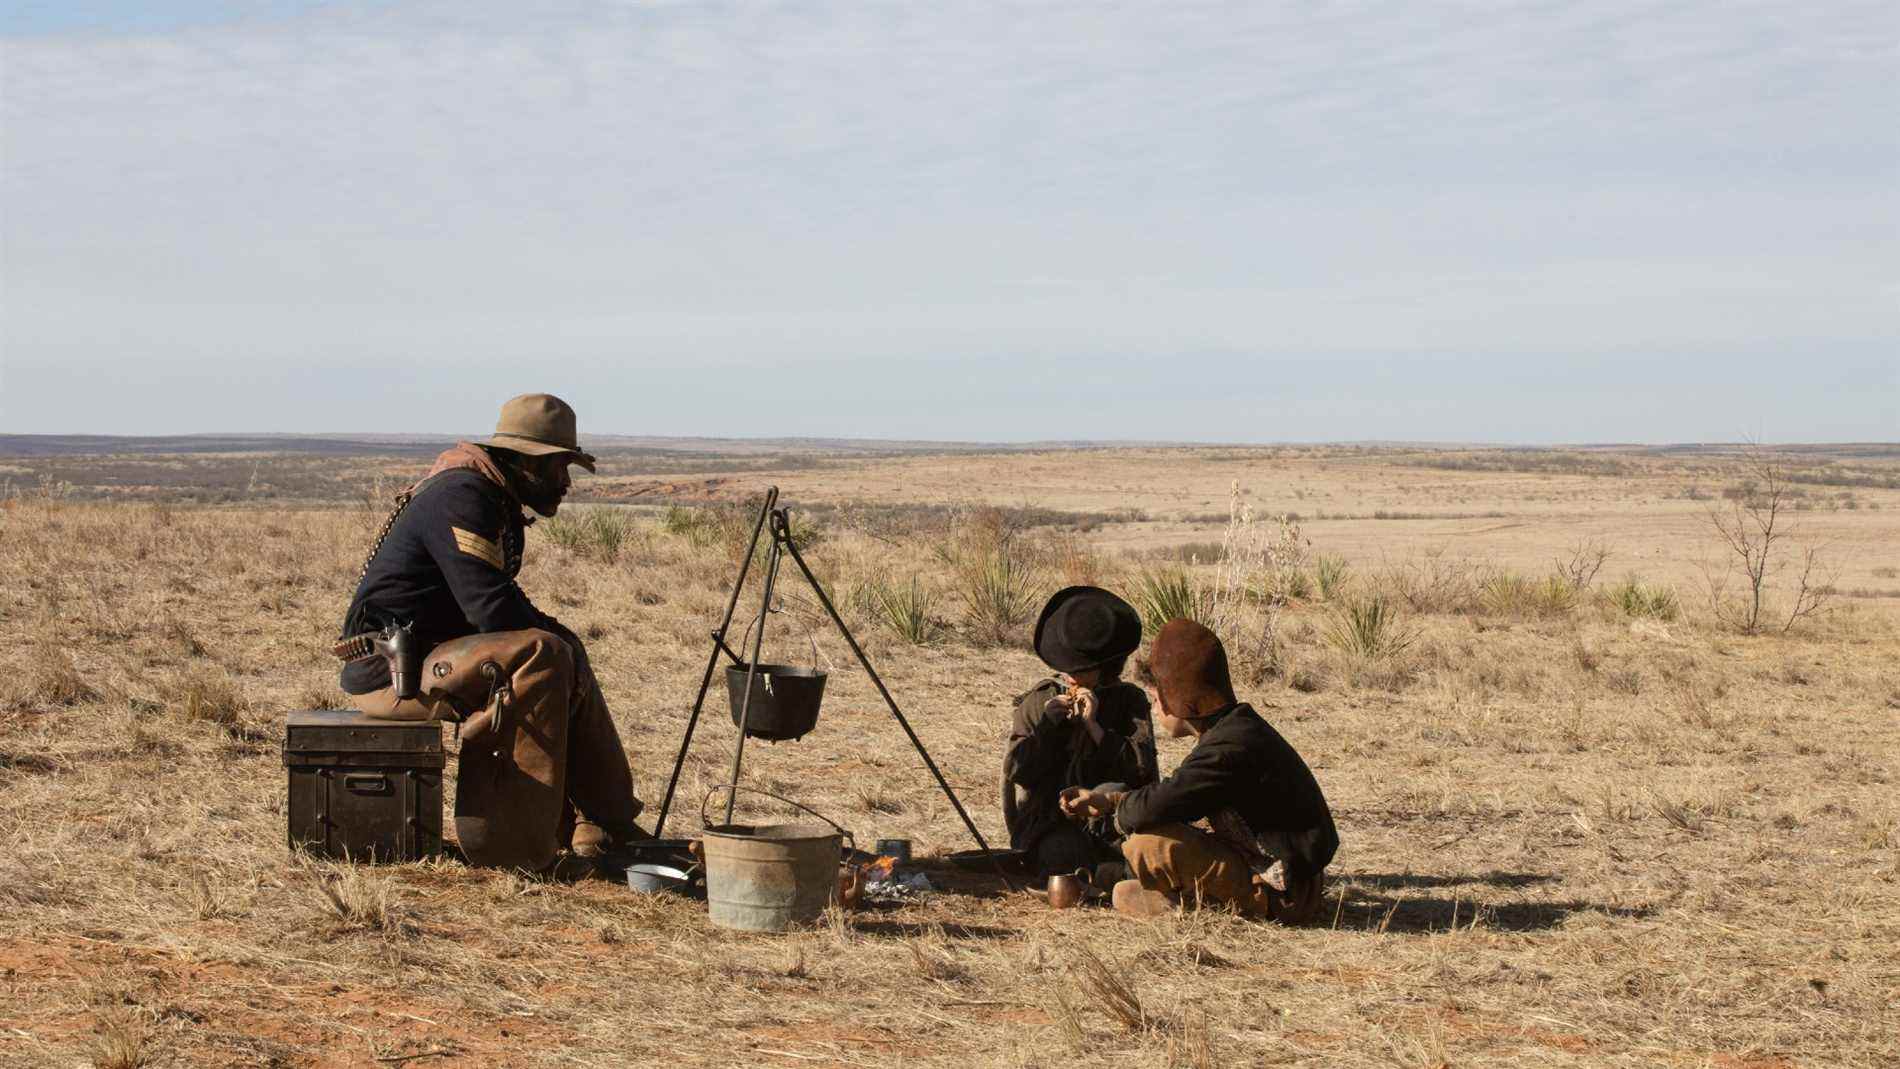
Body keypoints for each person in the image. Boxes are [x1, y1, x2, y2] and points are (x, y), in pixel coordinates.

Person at [334, 393, 644, 875]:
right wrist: (559, 641)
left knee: (559, 648)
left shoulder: (489, 495)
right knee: (541, 652)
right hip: (392, 674)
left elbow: (493, 604)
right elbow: (493, 610)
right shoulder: (464, 496)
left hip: (426, 659)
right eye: (560, 467)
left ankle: (608, 824)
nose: (565, 483)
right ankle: (512, 850)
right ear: (526, 463)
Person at [1060, 618, 1338, 922]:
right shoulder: (1235, 730)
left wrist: (1118, 809)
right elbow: (1174, 793)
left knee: (1147, 845)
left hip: (1286, 895)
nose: (1155, 707)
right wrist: (1108, 801)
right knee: (1129, 878)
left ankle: (1215, 904)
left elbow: (1150, 809)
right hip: (1281, 875)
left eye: (1156, 697)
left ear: (1181, 699)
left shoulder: (1228, 749)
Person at [1003, 586, 1157, 879]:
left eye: (1083, 670)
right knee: (1062, 855)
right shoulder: (1039, 701)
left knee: (1110, 799)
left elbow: (1143, 771)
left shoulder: (1129, 701)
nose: (1072, 677)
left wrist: (1095, 728)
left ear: (1107, 666)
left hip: (1114, 820)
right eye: (1066, 668)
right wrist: (1047, 728)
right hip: (1049, 821)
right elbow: (1018, 772)